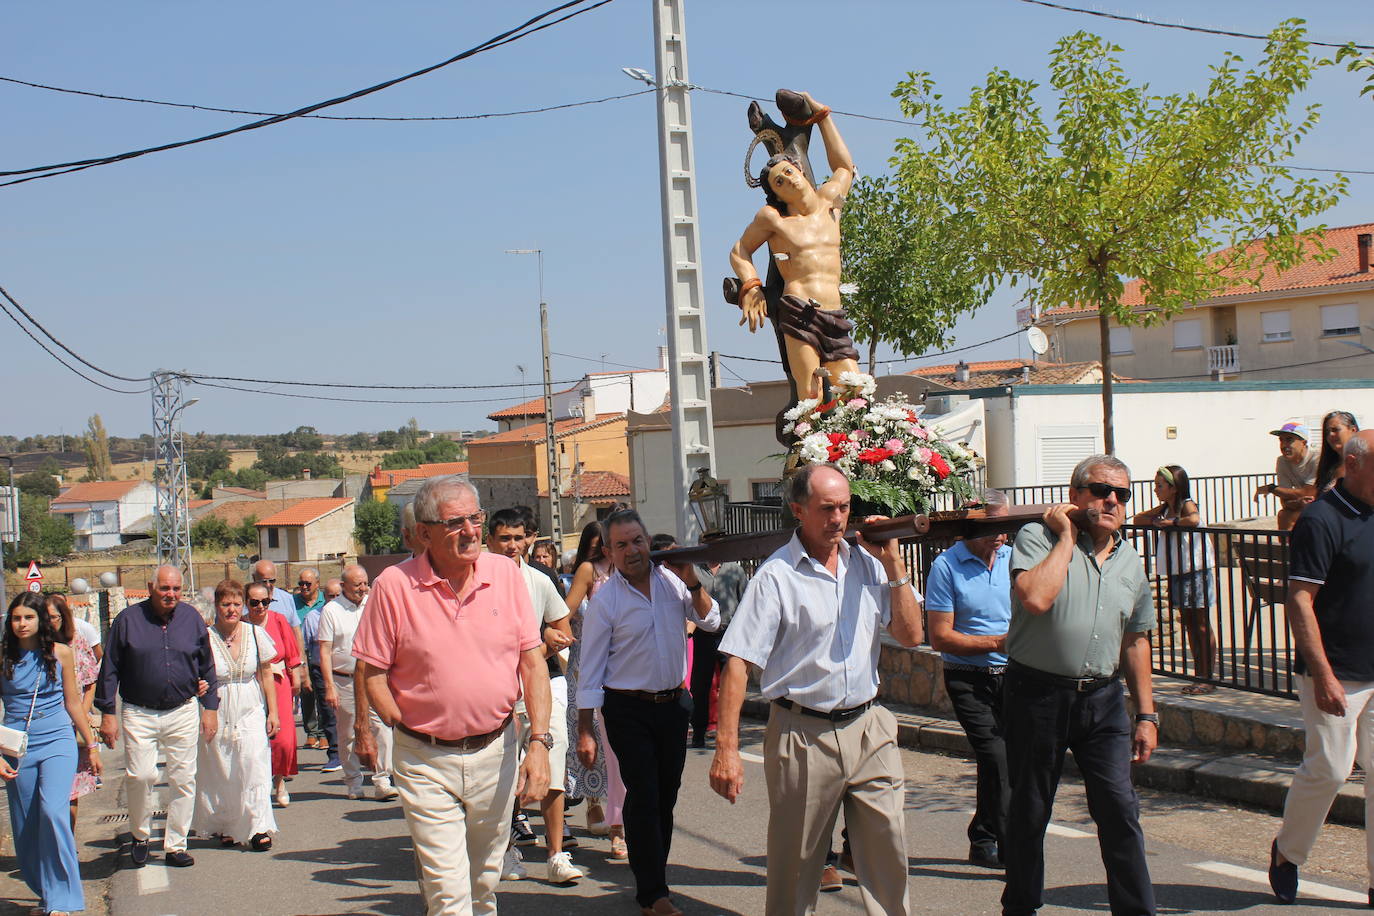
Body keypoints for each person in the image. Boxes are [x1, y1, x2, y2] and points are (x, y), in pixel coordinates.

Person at [710, 464, 922, 916]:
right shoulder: (776, 576)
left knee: (889, 851)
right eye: (827, 509)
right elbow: (737, 664)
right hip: (802, 733)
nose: (839, 519)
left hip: (870, 727)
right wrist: (726, 749)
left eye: (845, 507)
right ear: (798, 510)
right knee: (797, 866)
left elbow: (909, 635)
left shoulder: (868, 564)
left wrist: (895, 566)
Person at [353, 475, 552, 915]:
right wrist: (399, 723)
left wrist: (539, 742)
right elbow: (372, 674)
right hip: (425, 760)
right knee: (448, 890)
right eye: (454, 522)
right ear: (424, 533)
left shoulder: (505, 574)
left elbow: (532, 662)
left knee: (484, 880)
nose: (470, 531)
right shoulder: (392, 586)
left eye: (475, 518)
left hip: (496, 751)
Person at [1001, 455, 1157, 916]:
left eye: (1122, 494)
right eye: (1100, 489)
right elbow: (1035, 597)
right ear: (1075, 496)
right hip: (1037, 696)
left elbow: (1136, 639)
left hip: (1104, 700)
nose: (1111, 500)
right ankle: (1022, 906)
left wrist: (1146, 714)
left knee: (1119, 810)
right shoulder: (1037, 538)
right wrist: (1067, 537)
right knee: (1030, 811)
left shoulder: (1130, 560)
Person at [577, 509, 721, 916]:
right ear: (609, 551)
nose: (632, 550)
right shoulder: (607, 601)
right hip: (627, 710)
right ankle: (653, 893)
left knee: (666, 795)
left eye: (637, 540)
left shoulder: (674, 582)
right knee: (644, 794)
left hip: (674, 705)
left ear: (647, 541)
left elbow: (711, 621)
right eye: (621, 545)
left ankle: (653, 875)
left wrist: (692, 579)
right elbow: (590, 669)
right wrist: (586, 729)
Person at [1268, 430, 1374, 906]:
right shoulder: (1321, 520)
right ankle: (1287, 853)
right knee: (1331, 768)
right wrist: (1324, 674)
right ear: (1353, 465)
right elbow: (1300, 601)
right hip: (1336, 671)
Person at [729, 90, 858, 402]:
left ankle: (853, 450)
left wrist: (823, 115)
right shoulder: (774, 219)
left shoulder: (830, 203)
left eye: (788, 172)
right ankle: (806, 449)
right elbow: (740, 250)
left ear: (799, 169)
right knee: (812, 393)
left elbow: (844, 166)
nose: (788, 180)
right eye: (779, 182)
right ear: (776, 194)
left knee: (853, 389)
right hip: (799, 311)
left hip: (834, 311)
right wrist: (752, 286)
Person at [96, 565, 217, 869]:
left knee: (183, 779)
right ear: (151, 587)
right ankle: (139, 835)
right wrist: (107, 713)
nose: (170, 595)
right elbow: (109, 669)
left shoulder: (192, 619)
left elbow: (207, 666)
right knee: (140, 776)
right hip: (139, 712)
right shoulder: (128, 621)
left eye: (176, 589)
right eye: (164, 588)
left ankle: (176, 844)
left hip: (183, 709)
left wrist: (211, 707)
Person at [487, 508, 583, 885]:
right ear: (490, 541)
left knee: (552, 766)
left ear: (529, 538)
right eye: (505, 538)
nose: (513, 545)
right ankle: (507, 850)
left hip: (542, 686)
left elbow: (561, 630)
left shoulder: (540, 579)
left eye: (519, 537)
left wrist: (541, 647)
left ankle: (556, 854)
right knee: (503, 773)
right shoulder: (475, 580)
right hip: (495, 690)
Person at [926, 489, 1012, 870]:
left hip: (1015, 676)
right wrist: (999, 642)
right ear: (971, 522)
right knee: (996, 757)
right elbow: (940, 637)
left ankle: (983, 837)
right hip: (967, 677)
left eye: (1006, 525)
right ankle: (1011, 849)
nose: (1002, 534)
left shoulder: (1015, 559)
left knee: (1010, 762)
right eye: (995, 525)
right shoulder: (946, 567)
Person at [2, 592, 103, 916]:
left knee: (53, 811)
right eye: (16, 618)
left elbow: (73, 703)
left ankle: (63, 900)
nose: (21, 624)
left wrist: (92, 744)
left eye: (27, 617)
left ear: (40, 621)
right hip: (17, 746)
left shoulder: (61, 653)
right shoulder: (3, 656)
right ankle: (47, 893)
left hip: (58, 740)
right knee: (26, 824)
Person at [192, 580, 279, 851]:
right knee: (224, 765)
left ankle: (257, 826)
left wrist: (273, 711)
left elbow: (266, 671)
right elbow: (192, 673)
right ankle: (229, 825)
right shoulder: (205, 638)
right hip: (218, 707)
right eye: (226, 604)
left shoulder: (254, 633)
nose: (231, 610)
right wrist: (197, 686)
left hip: (251, 706)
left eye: (236, 604)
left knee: (253, 763)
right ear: (217, 606)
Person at [563, 520, 628, 859]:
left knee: (622, 751)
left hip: (628, 670)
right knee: (596, 745)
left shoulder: (636, 572)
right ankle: (593, 803)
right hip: (590, 666)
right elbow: (565, 614)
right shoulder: (589, 571)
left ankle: (624, 824)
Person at [1133, 465, 1217, 695]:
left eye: (1160, 485)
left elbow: (1194, 518)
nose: (1155, 489)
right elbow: (1139, 519)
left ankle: (1207, 677)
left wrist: (1171, 523)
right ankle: (1200, 675)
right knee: (1189, 623)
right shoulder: (1164, 509)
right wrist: (1157, 518)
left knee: (1200, 623)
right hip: (1178, 571)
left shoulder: (1186, 504)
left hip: (1195, 569)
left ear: (1174, 487)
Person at [319, 565, 396, 801]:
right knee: (349, 733)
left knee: (382, 728)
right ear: (343, 587)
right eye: (356, 585)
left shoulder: (373, 603)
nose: (362, 589)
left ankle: (382, 779)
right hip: (345, 680)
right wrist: (329, 686)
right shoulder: (331, 610)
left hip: (374, 678)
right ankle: (353, 781)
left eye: (364, 583)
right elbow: (324, 650)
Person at [44, 595, 100, 832]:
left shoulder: (76, 641)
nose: (49, 623)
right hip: (46, 724)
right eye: (44, 618)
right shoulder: (34, 646)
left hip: (72, 725)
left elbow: (90, 681)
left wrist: (83, 714)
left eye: (54, 618)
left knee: (70, 791)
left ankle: (66, 841)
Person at [244, 581, 301, 808]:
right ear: (246, 603)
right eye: (255, 602)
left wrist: (296, 676)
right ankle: (257, 785)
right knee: (254, 737)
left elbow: (292, 654)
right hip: (251, 685)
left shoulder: (278, 620)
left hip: (278, 681)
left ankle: (279, 781)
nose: (260, 607)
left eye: (265, 601)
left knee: (283, 739)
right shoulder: (241, 624)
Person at [688, 556, 747, 749]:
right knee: (700, 686)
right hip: (703, 635)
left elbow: (745, 600)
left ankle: (732, 732)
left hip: (730, 633)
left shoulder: (734, 569)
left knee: (733, 684)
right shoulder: (695, 571)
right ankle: (698, 732)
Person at [301, 580, 341, 772]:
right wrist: (305, 675)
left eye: (337, 595)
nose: (333, 600)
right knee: (327, 712)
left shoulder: (349, 614)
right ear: (324, 597)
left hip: (345, 670)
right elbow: (307, 647)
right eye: (330, 596)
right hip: (320, 670)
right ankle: (334, 754)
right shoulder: (312, 617)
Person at [1254, 421, 1319, 531]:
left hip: (1329, 506)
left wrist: (1272, 489)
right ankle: (1287, 548)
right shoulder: (1282, 461)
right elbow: (1285, 501)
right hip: (1307, 506)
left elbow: (1308, 493)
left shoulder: (1317, 458)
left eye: (1289, 440)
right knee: (1284, 515)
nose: (1283, 445)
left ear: (1303, 442)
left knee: (1301, 516)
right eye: (1281, 440)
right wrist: (1297, 501)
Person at [295, 567, 328, 750]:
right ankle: (311, 731)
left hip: (321, 651)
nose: (304, 587)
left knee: (323, 696)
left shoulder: (326, 600)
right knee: (306, 693)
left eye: (308, 583)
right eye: (301, 584)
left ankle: (324, 732)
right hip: (301, 652)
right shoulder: (293, 602)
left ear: (317, 583)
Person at [1315, 410, 1360, 494]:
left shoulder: (1366, 464)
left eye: (1335, 430)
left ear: (1353, 430)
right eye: (1327, 432)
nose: (1330, 435)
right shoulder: (1329, 466)